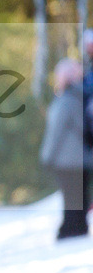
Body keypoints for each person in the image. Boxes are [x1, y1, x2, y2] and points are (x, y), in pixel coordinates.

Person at [40, 59, 90, 240]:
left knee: (71, 199)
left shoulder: (65, 101)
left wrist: (46, 157)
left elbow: (55, 132)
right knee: (79, 198)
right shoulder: (82, 98)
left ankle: (70, 231)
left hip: (66, 161)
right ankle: (78, 229)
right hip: (83, 158)